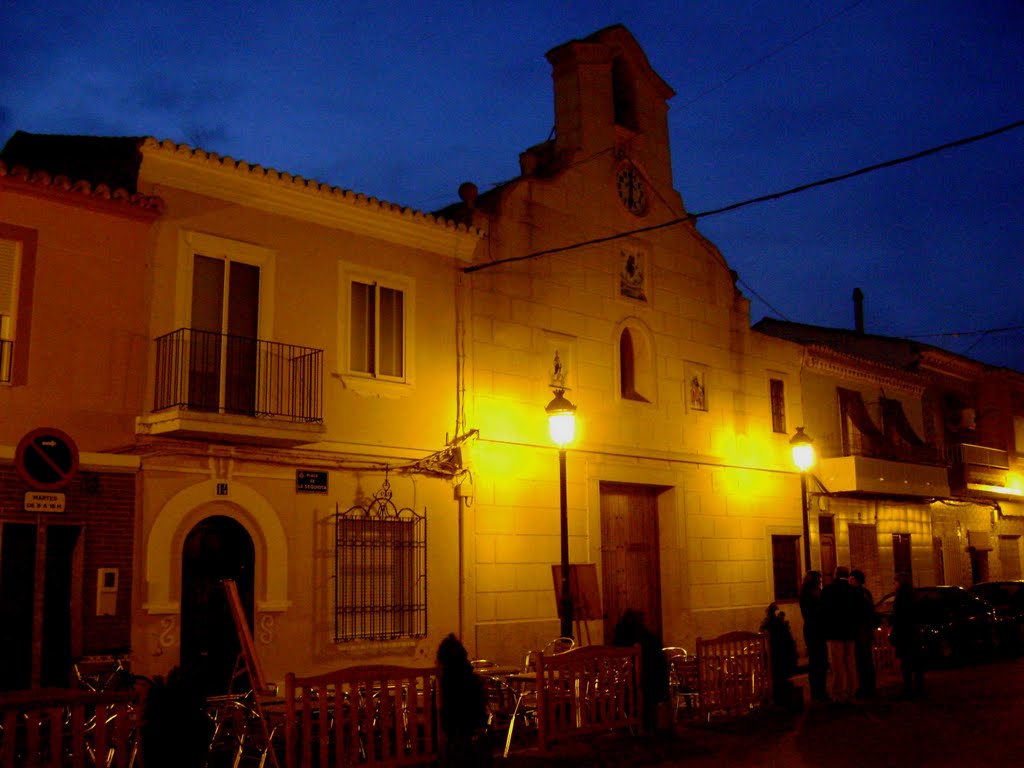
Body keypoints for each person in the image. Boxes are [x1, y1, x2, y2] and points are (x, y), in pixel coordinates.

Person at [435, 633, 490, 767]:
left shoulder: (444, 684)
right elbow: (482, 710)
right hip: (473, 733)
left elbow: (442, 715)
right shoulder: (474, 680)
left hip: (454, 734)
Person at [611, 608, 669, 731]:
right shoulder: (648, 636)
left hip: (642, 679)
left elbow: (616, 650)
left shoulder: (627, 634)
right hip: (655, 679)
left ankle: (631, 719)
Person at [820, 565, 860, 703]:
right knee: (850, 662)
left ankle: (838, 692)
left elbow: (824, 612)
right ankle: (852, 690)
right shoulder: (853, 591)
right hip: (850, 632)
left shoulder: (828, 590)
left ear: (835, 574)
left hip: (835, 632)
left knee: (837, 664)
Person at [890, 571, 925, 698]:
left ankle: (908, 688)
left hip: (904, 633)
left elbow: (899, 616)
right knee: (916, 663)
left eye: (895, 582)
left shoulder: (901, 597)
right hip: (913, 633)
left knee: (906, 662)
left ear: (899, 583)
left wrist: (892, 620)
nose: (893, 585)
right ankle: (919, 688)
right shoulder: (913, 595)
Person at [799, 570, 829, 702]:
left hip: (810, 629)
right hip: (817, 629)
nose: (821, 582)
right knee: (819, 661)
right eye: (819, 580)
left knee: (815, 661)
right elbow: (821, 610)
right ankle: (819, 691)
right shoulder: (814, 593)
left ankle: (816, 691)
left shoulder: (804, 592)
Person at [849, 569, 877, 698]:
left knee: (861, 660)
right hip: (866, 629)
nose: (849, 581)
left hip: (860, 630)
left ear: (857, 580)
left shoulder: (855, 593)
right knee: (866, 659)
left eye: (851, 579)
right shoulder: (866, 593)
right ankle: (869, 687)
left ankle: (864, 688)